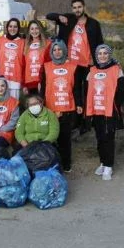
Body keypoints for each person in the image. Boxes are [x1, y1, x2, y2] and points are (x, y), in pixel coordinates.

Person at [46, 0, 104, 133]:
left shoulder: (93, 24)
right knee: (73, 91)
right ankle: (75, 121)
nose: (77, 10)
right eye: (74, 7)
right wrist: (60, 17)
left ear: (84, 7)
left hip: (88, 64)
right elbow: (49, 16)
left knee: (87, 92)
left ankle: (86, 121)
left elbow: (100, 43)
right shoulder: (69, 19)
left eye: (79, 7)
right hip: (71, 64)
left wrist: (98, 62)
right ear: (72, 9)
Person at [39, 40, 84, 173]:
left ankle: (66, 164)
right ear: (51, 52)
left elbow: (76, 88)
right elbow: (42, 88)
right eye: (54, 50)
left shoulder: (73, 67)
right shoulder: (46, 66)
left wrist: (79, 103)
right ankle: (53, 163)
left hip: (67, 107)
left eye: (59, 49)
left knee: (65, 137)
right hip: (50, 108)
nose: (57, 52)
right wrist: (41, 103)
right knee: (51, 137)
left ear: (64, 50)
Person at [87, 44, 124, 181]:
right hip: (96, 109)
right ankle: (103, 162)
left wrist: (115, 103)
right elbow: (86, 89)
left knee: (109, 137)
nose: (102, 56)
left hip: (109, 110)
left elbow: (122, 90)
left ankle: (109, 165)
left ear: (109, 55)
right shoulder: (92, 70)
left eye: (105, 53)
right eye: (100, 54)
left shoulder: (117, 69)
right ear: (96, 56)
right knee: (99, 137)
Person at [0, 18, 25, 99]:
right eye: (10, 26)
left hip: (15, 81)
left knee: (14, 106)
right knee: (2, 106)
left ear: (18, 29)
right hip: (1, 82)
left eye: (15, 27)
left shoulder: (23, 42)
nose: (12, 29)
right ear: (7, 27)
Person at [22, 19, 51, 95]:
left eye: (37, 28)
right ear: (29, 31)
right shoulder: (25, 45)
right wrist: (24, 85)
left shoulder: (48, 44)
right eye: (32, 29)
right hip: (29, 83)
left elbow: (48, 65)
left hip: (42, 82)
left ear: (40, 29)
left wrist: (42, 81)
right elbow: (23, 66)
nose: (34, 31)